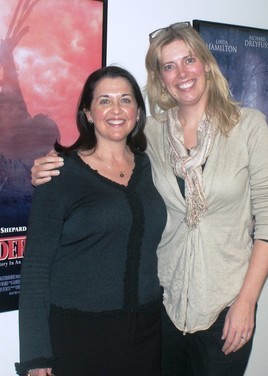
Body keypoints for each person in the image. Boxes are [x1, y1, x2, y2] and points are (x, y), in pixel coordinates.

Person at [30, 22, 268, 376]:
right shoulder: (150, 133)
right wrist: (48, 166)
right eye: (169, 66)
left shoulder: (248, 127)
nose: (181, 73)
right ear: (160, 77)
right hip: (163, 311)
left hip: (226, 307)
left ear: (207, 65)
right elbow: (102, 153)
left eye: (189, 60)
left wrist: (247, 302)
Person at [15, 66, 167, 376]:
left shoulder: (152, 166)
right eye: (104, 100)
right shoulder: (59, 172)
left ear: (138, 112)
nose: (116, 109)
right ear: (87, 111)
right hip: (79, 336)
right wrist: (36, 356)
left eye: (125, 100)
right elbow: (35, 269)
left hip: (147, 332)